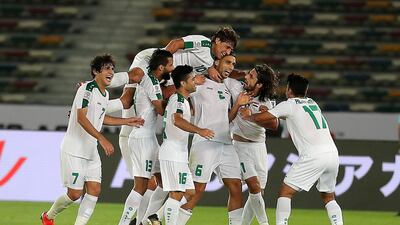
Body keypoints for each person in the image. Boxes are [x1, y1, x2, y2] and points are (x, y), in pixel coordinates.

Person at [40, 54, 145, 225]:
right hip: (74, 149)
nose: (111, 71)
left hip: (91, 150)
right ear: (96, 71)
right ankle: (48, 217)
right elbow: (81, 118)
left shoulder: (104, 95)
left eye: (112, 68)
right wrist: (102, 138)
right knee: (74, 194)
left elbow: (102, 117)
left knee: (94, 191)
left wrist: (127, 121)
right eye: (106, 68)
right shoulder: (86, 89)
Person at [242, 74, 344, 225]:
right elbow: (293, 116)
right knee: (328, 196)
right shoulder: (312, 103)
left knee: (285, 192)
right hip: (332, 154)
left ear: (289, 89)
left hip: (313, 156)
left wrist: (247, 116)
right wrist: (267, 111)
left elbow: (261, 119)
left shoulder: (289, 104)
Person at [179, 54, 250, 225]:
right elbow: (178, 81)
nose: (231, 67)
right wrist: (196, 78)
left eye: (233, 64)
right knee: (196, 190)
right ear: (216, 62)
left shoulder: (227, 88)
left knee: (236, 186)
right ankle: (164, 218)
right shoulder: (199, 82)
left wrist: (237, 105)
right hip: (205, 142)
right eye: (227, 62)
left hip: (226, 143)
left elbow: (228, 118)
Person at [117, 49, 174, 225]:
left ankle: (144, 221)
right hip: (142, 138)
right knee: (141, 186)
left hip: (149, 138)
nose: (172, 68)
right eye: (170, 65)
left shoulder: (152, 79)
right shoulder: (152, 83)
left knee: (165, 182)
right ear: (161, 66)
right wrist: (179, 99)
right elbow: (160, 109)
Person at [159, 65, 214, 225]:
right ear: (183, 83)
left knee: (190, 192)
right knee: (176, 193)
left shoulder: (183, 100)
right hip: (172, 152)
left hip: (179, 153)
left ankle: (154, 217)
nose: (195, 81)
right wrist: (199, 130)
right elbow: (177, 120)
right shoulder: (177, 99)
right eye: (192, 79)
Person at [226, 64, 279, 225]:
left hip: (259, 147)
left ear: (260, 84)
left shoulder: (266, 102)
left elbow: (274, 125)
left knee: (258, 192)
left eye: (251, 76)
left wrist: (257, 115)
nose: (246, 77)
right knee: (254, 186)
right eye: (248, 74)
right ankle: (264, 223)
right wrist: (240, 72)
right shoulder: (237, 90)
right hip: (239, 147)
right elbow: (224, 77)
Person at [109, 26, 240, 88]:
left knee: (127, 103)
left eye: (231, 50)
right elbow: (175, 43)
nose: (228, 52)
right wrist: (161, 63)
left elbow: (225, 71)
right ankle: (95, 84)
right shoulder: (203, 43)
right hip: (154, 59)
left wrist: (243, 75)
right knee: (136, 75)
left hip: (166, 75)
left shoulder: (214, 60)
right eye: (227, 47)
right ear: (217, 41)